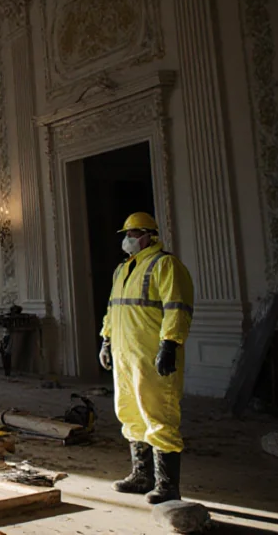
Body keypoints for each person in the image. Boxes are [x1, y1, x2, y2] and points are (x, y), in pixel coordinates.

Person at [99, 212, 194, 504]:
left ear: (150, 235)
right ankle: (142, 476)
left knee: (159, 415)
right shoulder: (122, 270)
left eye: (134, 233)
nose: (128, 239)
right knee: (129, 411)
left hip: (152, 354)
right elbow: (113, 309)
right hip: (125, 354)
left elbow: (177, 308)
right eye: (126, 234)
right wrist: (106, 340)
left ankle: (167, 486)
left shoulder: (166, 265)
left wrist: (170, 344)